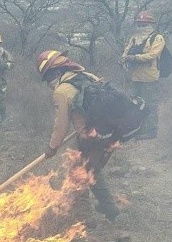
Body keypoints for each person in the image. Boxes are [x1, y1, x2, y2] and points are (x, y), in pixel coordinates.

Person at [36, 50, 120, 220]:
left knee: (79, 173)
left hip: (90, 139)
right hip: (111, 133)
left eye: (48, 77)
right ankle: (108, 208)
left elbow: (61, 125)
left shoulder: (62, 91)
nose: (49, 82)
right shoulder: (87, 76)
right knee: (91, 169)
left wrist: (52, 147)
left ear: (56, 72)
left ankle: (85, 217)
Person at [121, 10, 165, 139]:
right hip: (135, 77)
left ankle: (151, 131)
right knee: (134, 104)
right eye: (139, 24)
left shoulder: (157, 38)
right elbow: (125, 53)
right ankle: (137, 129)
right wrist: (124, 59)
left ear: (151, 25)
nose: (141, 27)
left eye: (144, 24)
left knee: (150, 104)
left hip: (150, 78)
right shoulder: (134, 39)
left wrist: (133, 58)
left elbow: (151, 56)